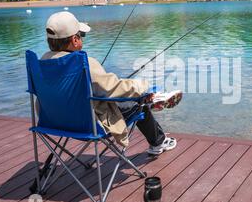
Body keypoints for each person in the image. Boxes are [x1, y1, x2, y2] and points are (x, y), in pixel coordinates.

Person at [41, 11, 182, 155]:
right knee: (136, 103)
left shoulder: (42, 63)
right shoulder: (83, 63)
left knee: (110, 93)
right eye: (81, 35)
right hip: (89, 124)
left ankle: (148, 98)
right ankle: (157, 138)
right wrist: (143, 86)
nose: (82, 39)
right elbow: (113, 89)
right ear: (75, 40)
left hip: (54, 122)